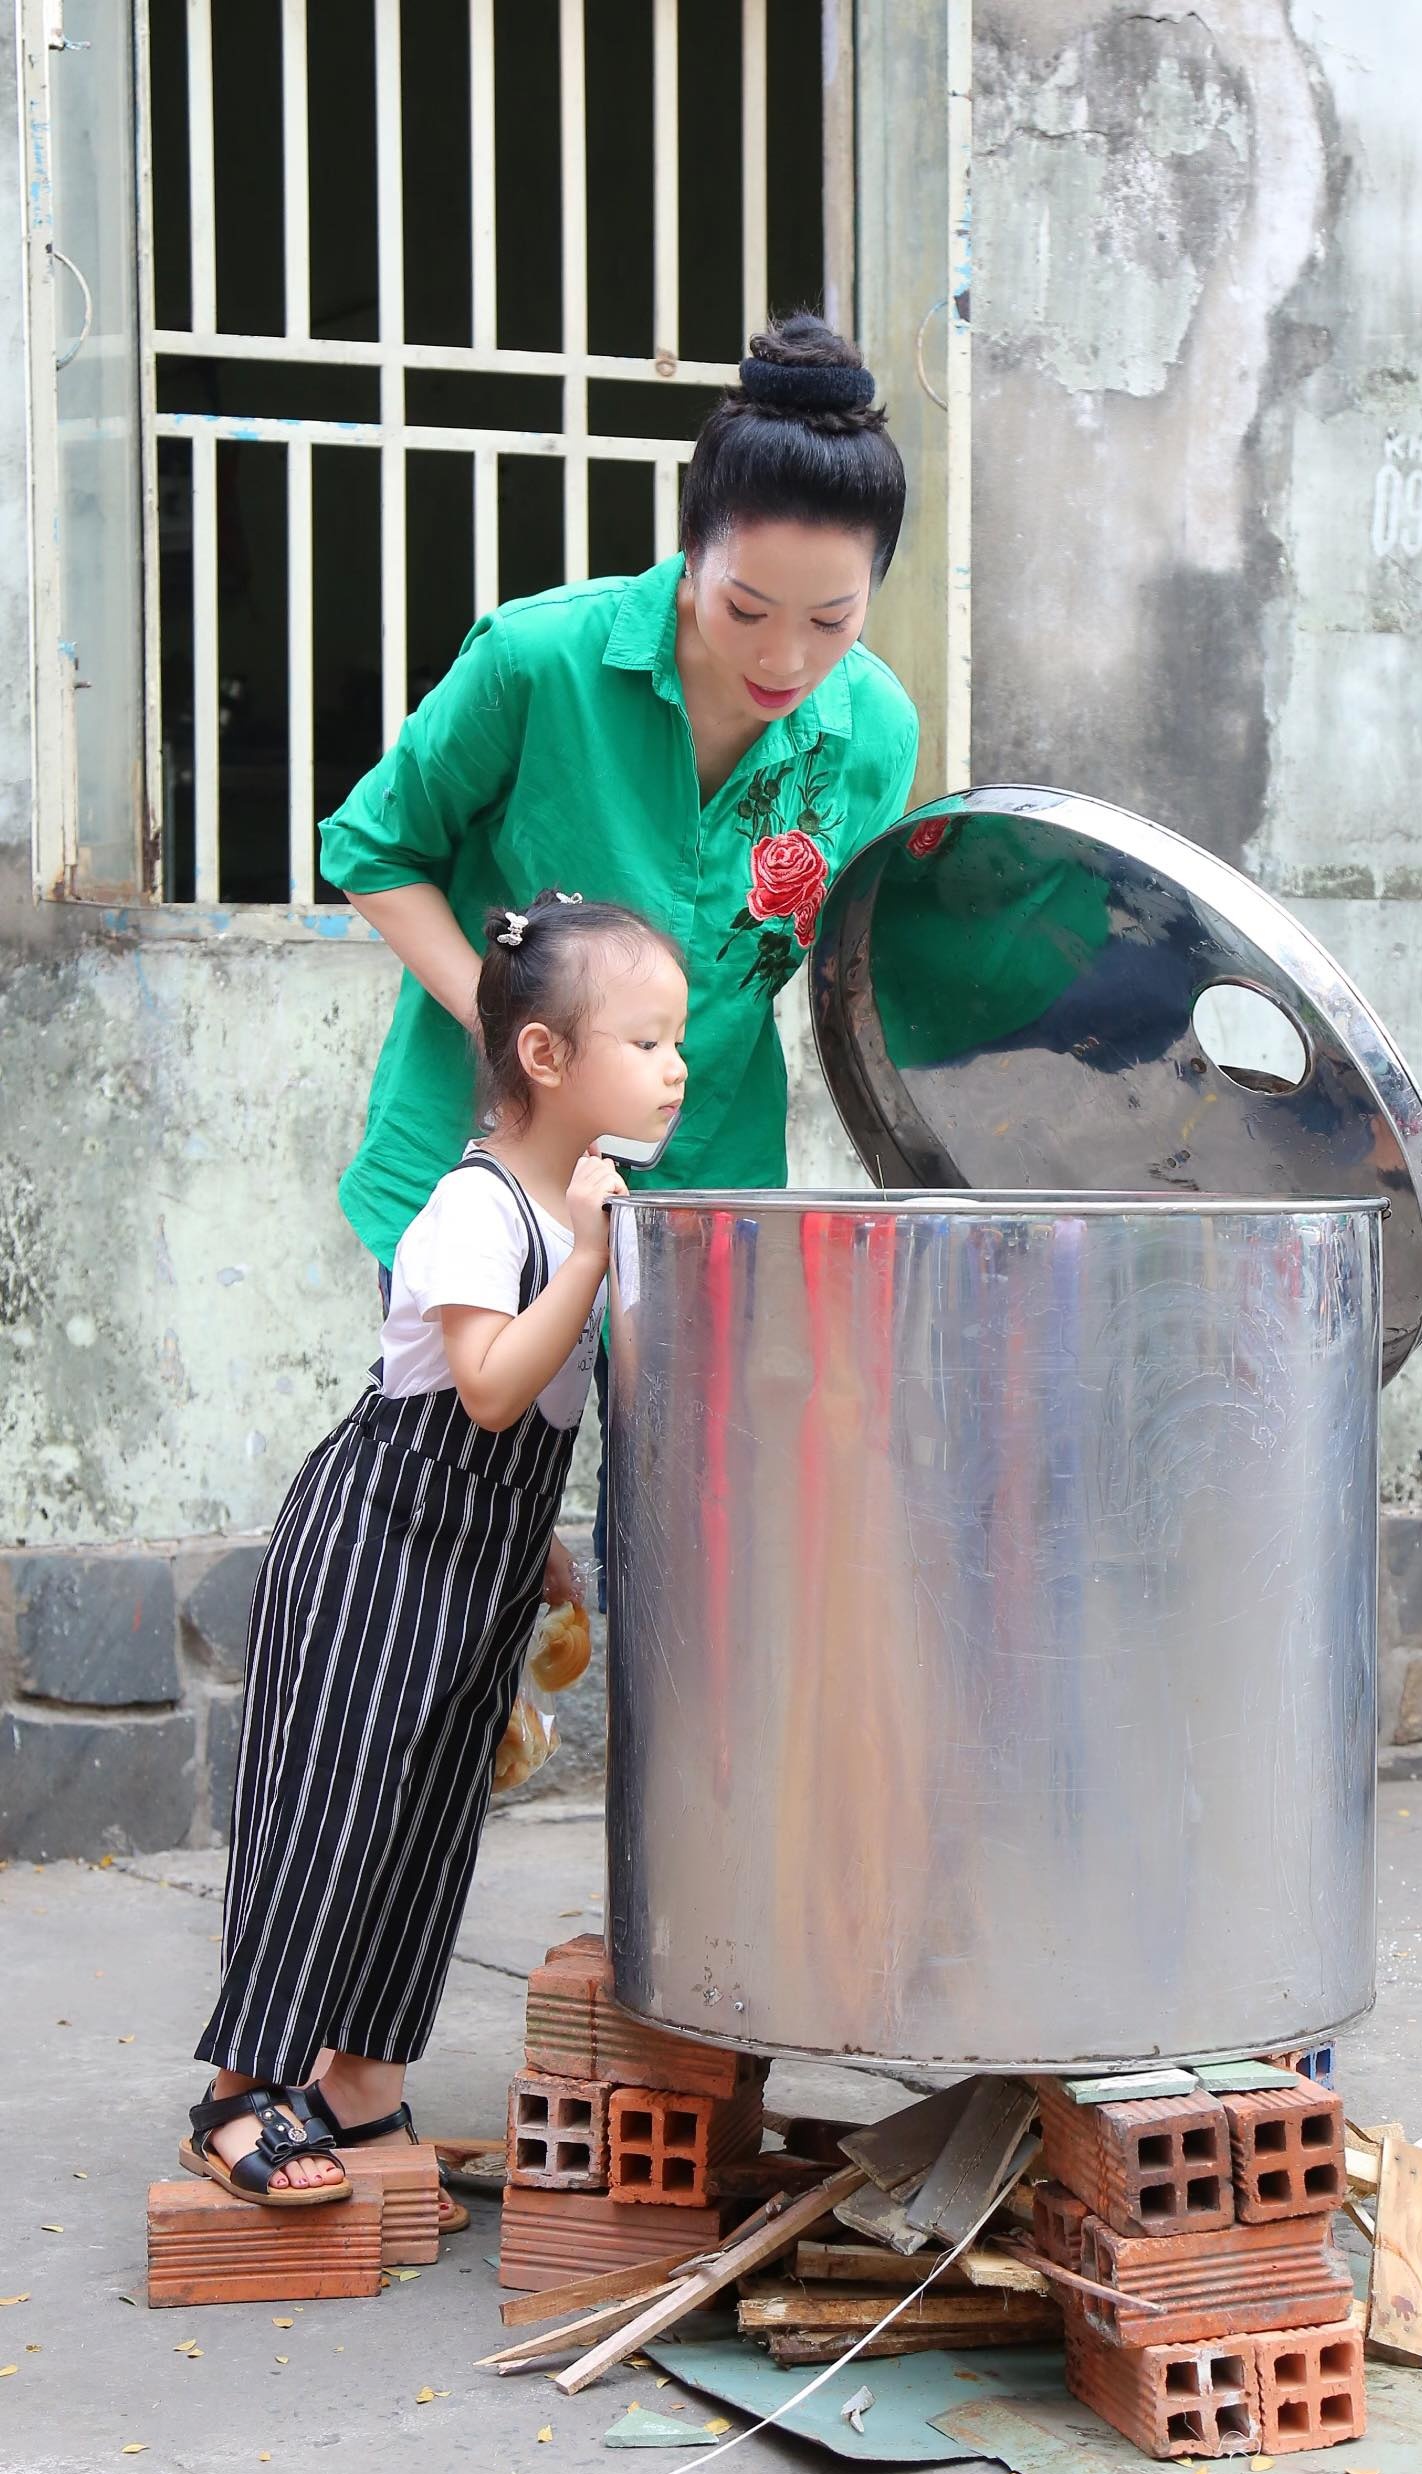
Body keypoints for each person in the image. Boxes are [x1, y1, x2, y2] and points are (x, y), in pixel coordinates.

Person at [318, 312, 919, 1588]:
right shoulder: (542, 660)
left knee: (699, 1553)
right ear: (687, 550)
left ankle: (682, 1800)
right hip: (487, 1159)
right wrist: (518, 1025)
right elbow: (375, 848)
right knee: (462, 1554)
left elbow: (852, 963)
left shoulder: (873, 731)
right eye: (746, 606)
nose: (783, 657)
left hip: (708, 1177)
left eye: (832, 619)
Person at [183, 896, 687, 2202]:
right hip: (374, 1549)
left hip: (476, 1568)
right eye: (645, 1040)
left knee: (427, 1824)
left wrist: (546, 1556)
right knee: (332, 1815)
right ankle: (238, 2094)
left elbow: (538, 1425)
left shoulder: (567, 1211)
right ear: (545, 1059)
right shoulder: (482, 1207)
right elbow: (482, 1390)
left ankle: (358, 2089)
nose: (676, 1066)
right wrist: (587, 1255)